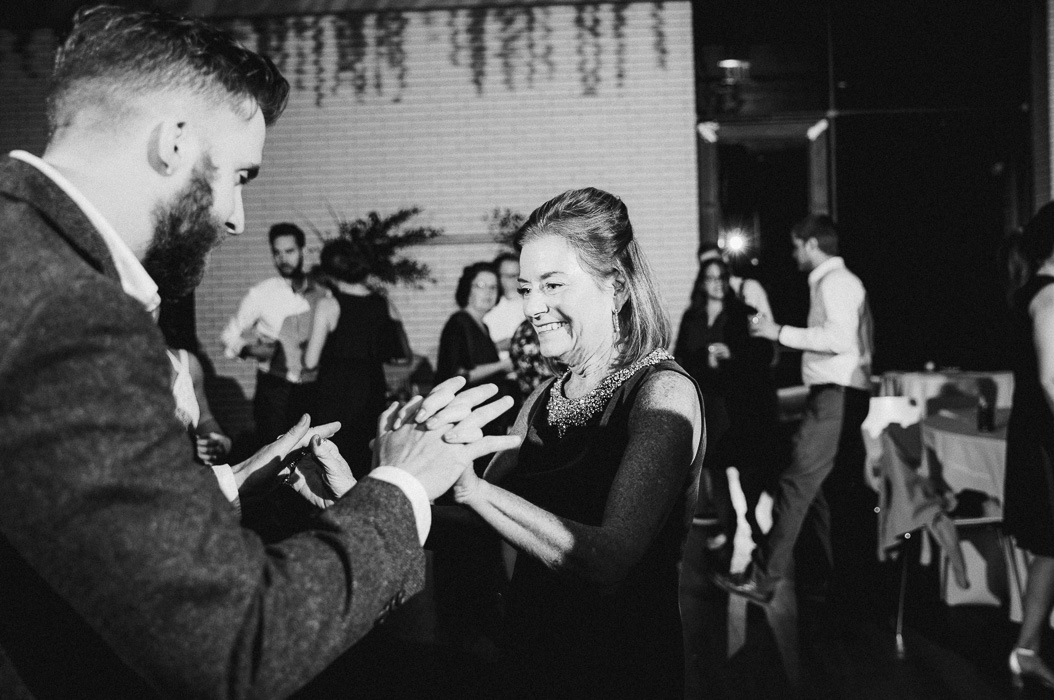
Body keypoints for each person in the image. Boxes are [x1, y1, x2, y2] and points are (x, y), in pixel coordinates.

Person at [0, 6, 520, 697]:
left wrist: (229, 484)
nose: (237, 218)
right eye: (240, 176)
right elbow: (234, 645)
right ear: (175, 143)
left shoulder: (24, 251)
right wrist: (402, 484)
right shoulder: (73, 310)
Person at [449, 187, 704, 699]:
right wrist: (378, 490)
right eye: (525, 288)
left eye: (552, 285)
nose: (533, 306)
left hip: (621, 669)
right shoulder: (542, 399)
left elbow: (609, 560)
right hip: (531, 658)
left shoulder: (663, 394)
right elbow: (470, 522)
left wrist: (472, 489)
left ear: (617, 287)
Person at [714, 214, 873, 604]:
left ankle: (763, 580)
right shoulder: (836, 282)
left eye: (796, 245)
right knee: (822, 492)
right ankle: (834, 579)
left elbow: (838, 338)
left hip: (835, 394)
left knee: (796, 484)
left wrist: (777, 332)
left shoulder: (835, 282)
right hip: (835, 394)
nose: (793, 253)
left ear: (813, 245)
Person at [674, 256, 778, 552]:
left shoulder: (741, 313)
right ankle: (730, 528)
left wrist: (732, 353)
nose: (717, 284)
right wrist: (701, 360)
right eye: (711, 278)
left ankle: (753, 522)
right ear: (702, 283)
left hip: (738, 403)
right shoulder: (692, 316)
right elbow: (681, 356)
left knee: (747, 467)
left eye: (722, 277)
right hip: (708, 403)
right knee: (715, 470)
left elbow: (762, 354)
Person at [298, 238, 405, 479]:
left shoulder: (329, 304)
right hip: (372, 387)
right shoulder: (381, 303)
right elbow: (397, 354)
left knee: (336, 456)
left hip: (337, 389)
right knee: (365, 454)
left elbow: (310, 361)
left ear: (330, 271)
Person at [1003, 202, 1054, 691]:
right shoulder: (1052, 296)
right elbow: (1053, 378)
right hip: (1049, 438)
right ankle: (1026, 647)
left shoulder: (1028, 293)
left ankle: (1026, 648)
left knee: (1050, 547)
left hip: (1032, 433)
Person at [221, 222, 326, 448]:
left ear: (302, 251)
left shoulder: (321, 292)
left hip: (315, 387)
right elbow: (229, 335)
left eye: (289, 251)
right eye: (276, 252)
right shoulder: (261, 294)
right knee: (272, 453)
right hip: (274, 388)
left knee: (314, 452)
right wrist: (250, 349)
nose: (283, 259)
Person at [436, 261, 514, 388]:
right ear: (467, 289)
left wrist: (497, 346)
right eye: (481, 285)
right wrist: (503, 365)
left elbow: (473, 355)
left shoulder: (482, 325)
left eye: (493, 287)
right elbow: (458, 375)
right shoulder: (458, 323)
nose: (488, 292)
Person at [167, 345, 233, 466]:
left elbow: (204, 418)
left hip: (193, 476)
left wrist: (219, 442)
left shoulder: (186, 364)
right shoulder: (124, 372)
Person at [483, 251, 527, 355]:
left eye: (519, 275)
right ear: (497, 278)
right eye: (510, 276)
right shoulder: (487, 310)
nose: (516, 281)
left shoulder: (531, 306)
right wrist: (497, 346)